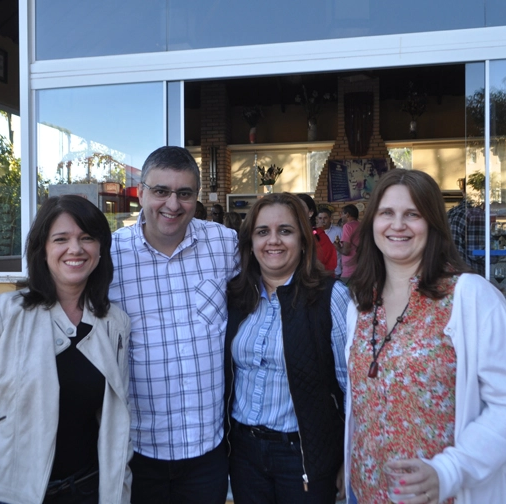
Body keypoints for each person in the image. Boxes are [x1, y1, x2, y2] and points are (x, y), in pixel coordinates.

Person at [344, 169, 506, 504]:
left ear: (432, 224)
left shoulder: (471, 297)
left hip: (445, 494)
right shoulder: (359, 304)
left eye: (412, 214)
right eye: (387, 213)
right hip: (365, 492)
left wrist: (451, 470)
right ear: (372, 222)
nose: (397, 225)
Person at [0, 195, 132, 504]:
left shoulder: (115, 323)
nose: (75, 249)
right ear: (42, 250)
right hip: (9, 495)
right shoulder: (3, 314)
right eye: (61, 239)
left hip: (87, 491)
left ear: (100, 250)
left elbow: (117, 423)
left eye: (86, 238)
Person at [109, 146, 240, 504]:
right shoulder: (109, 255)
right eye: (161, 191)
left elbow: (270, 292)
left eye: (184, 193)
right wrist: (12, 313)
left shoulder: (224, 244)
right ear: (140, 192)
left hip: (206, 450)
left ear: (196, 198)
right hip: (138, 450)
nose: (172, 204)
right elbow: (62, 293)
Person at [225, 193, 351, 503]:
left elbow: (353, 386)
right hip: (244, 453)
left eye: (285, 230)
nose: (273, 241)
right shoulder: (237, 296)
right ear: (251, 242)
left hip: (303, 456)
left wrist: (349, 456)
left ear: (304, 239)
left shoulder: (330, 297)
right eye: (262, 232)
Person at [446, 177, 485, 276]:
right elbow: (476, 253)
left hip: (451, 276)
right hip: (471, 276)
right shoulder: (475, 213)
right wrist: (499, 254)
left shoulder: (451, 212)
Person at [296, 193, 337, 273]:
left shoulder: (320, 237)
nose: (296, 211)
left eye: (300, 208)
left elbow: (328, 268)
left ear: (310, 212)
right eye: (292, 207)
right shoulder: (281, 235)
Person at [318, 206, 343, 277]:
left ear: (330, 218)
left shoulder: (339, 231)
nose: (322, 220)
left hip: (336, 270)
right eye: (320, 218)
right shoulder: (314, 233)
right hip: (319, 271)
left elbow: (344, 250)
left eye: (325, 218)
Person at [339, 204, 360, 283]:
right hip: (361, 268)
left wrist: (337, 247)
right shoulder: (361, 225)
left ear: (347, 214)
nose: (341, 216)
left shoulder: (347, 226)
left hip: (349, 271)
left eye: (342, 213)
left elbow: (345, 251)